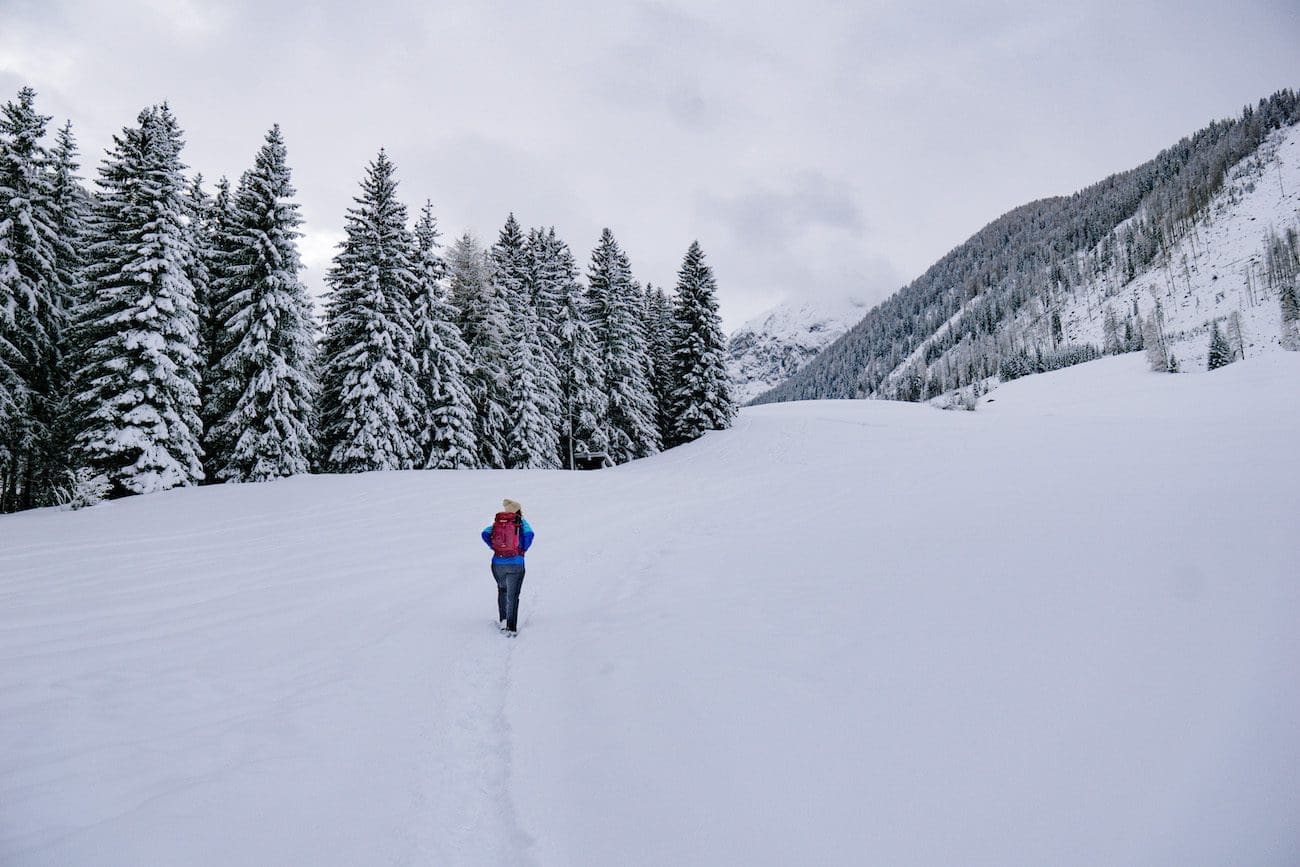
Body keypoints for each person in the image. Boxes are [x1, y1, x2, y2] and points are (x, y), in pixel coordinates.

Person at [482, 498, 534, 635]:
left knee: (502, 591)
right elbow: (529, 535)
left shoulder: (498, 523)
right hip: (516, 563)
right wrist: (521, 550)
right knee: (513, 595)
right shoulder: (521, 522)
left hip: (497, 564)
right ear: (518, 510)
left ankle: (503, 621)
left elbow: (485, 534)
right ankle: (511, 627)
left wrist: (495, 548)